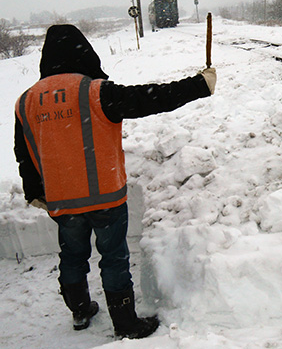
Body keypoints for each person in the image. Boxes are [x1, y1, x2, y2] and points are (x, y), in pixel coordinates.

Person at [13, 24, 216, 339]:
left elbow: (23, 151)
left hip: (63, 201)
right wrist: (199, 85)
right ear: (84, 52)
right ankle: (125, 322)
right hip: (104, 196)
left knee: (72, 254)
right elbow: (151, 98)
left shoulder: (26, 101)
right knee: (114, 258)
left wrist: (34, 191)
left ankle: (80, 311)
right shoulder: (95, 91)